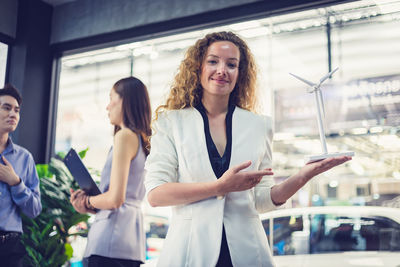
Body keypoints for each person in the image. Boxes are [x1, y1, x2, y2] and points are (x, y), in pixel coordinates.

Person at [144, 31, 352, 267]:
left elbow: (262, 200)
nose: (222, 70)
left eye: (231, 64)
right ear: (198, 68)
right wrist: (219, 187)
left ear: (239, 73)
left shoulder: (259, 126)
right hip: (189, 253)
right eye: (213, 61)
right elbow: (156, 194)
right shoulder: (171, 122)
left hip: (246, 253)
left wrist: (304, 176)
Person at [70, 77, 151, 267]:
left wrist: (87, 201)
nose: (107, 107)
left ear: (125, 101)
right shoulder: (142, 140)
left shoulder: (124, 136)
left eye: (111, 98)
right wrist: (92, 205)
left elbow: (115, 199)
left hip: (108, 243)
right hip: (131, 242)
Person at [0, 84, 42, 267]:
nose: (13, 114)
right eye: (6, 108)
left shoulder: (24, 158)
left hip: (12, 248)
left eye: (17, 110)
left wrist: (16, 182)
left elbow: (34, 209)